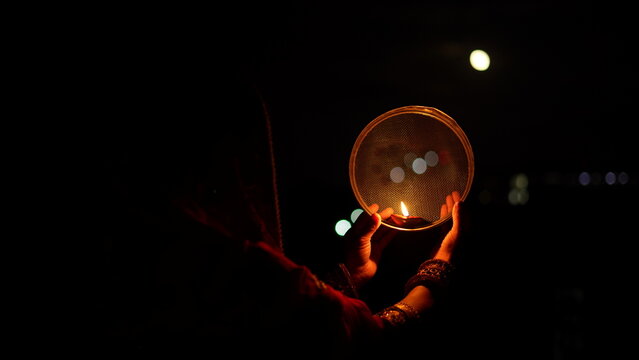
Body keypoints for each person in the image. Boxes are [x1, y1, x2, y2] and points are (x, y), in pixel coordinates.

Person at [98, 61, 467, 358]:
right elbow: (367, 344)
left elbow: (301, 322)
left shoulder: (138, 247)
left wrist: (350, 275)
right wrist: (442, 267)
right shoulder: (232, 265)